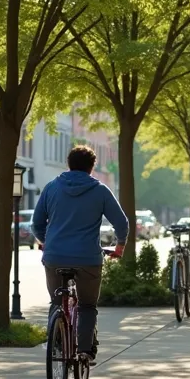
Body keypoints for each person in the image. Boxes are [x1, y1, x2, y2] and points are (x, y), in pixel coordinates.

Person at [32, 145, 129, 363]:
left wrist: (46, 243)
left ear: (69, 164)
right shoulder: (100, 190)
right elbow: (121, 223)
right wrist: (120, 245)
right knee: (86, 305)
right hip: (88, 259)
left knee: (56, 302)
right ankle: (85, 352)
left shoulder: (51, 188)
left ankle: (56, 344)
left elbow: (37, 223)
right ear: (92, 167)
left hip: (55, 257)